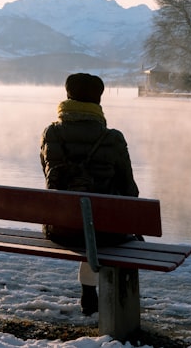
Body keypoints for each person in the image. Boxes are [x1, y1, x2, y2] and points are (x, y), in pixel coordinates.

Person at [39, 72, 140, 316]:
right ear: (98, 101)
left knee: (85, 220)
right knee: (96, 225)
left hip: (60, 229)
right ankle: (101, 296)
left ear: (68, 96)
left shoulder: (51, 134)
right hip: (104, 232)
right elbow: (129, 190)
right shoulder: (113, 139)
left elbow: (50, 176)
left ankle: (88, 291)